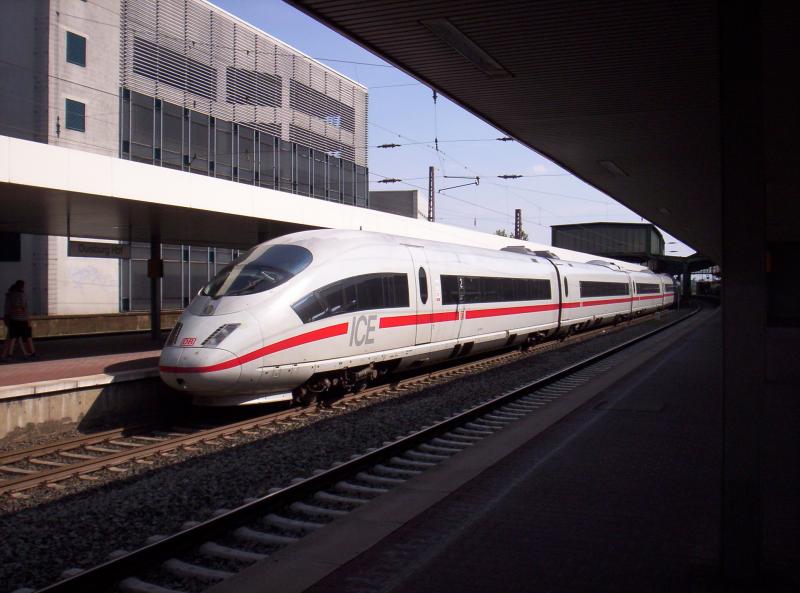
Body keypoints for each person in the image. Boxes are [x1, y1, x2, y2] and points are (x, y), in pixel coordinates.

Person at [1, 280, 36, 361]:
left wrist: (7, 317)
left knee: (13, 336)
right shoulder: (21, 295)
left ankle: (8, 354)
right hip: (22, 319)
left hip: (13, 318)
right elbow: (24, 307)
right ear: (21, 287)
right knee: (24, 336)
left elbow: (7, 309)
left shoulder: (10, 296)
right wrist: (28, 319)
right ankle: (31, 353)